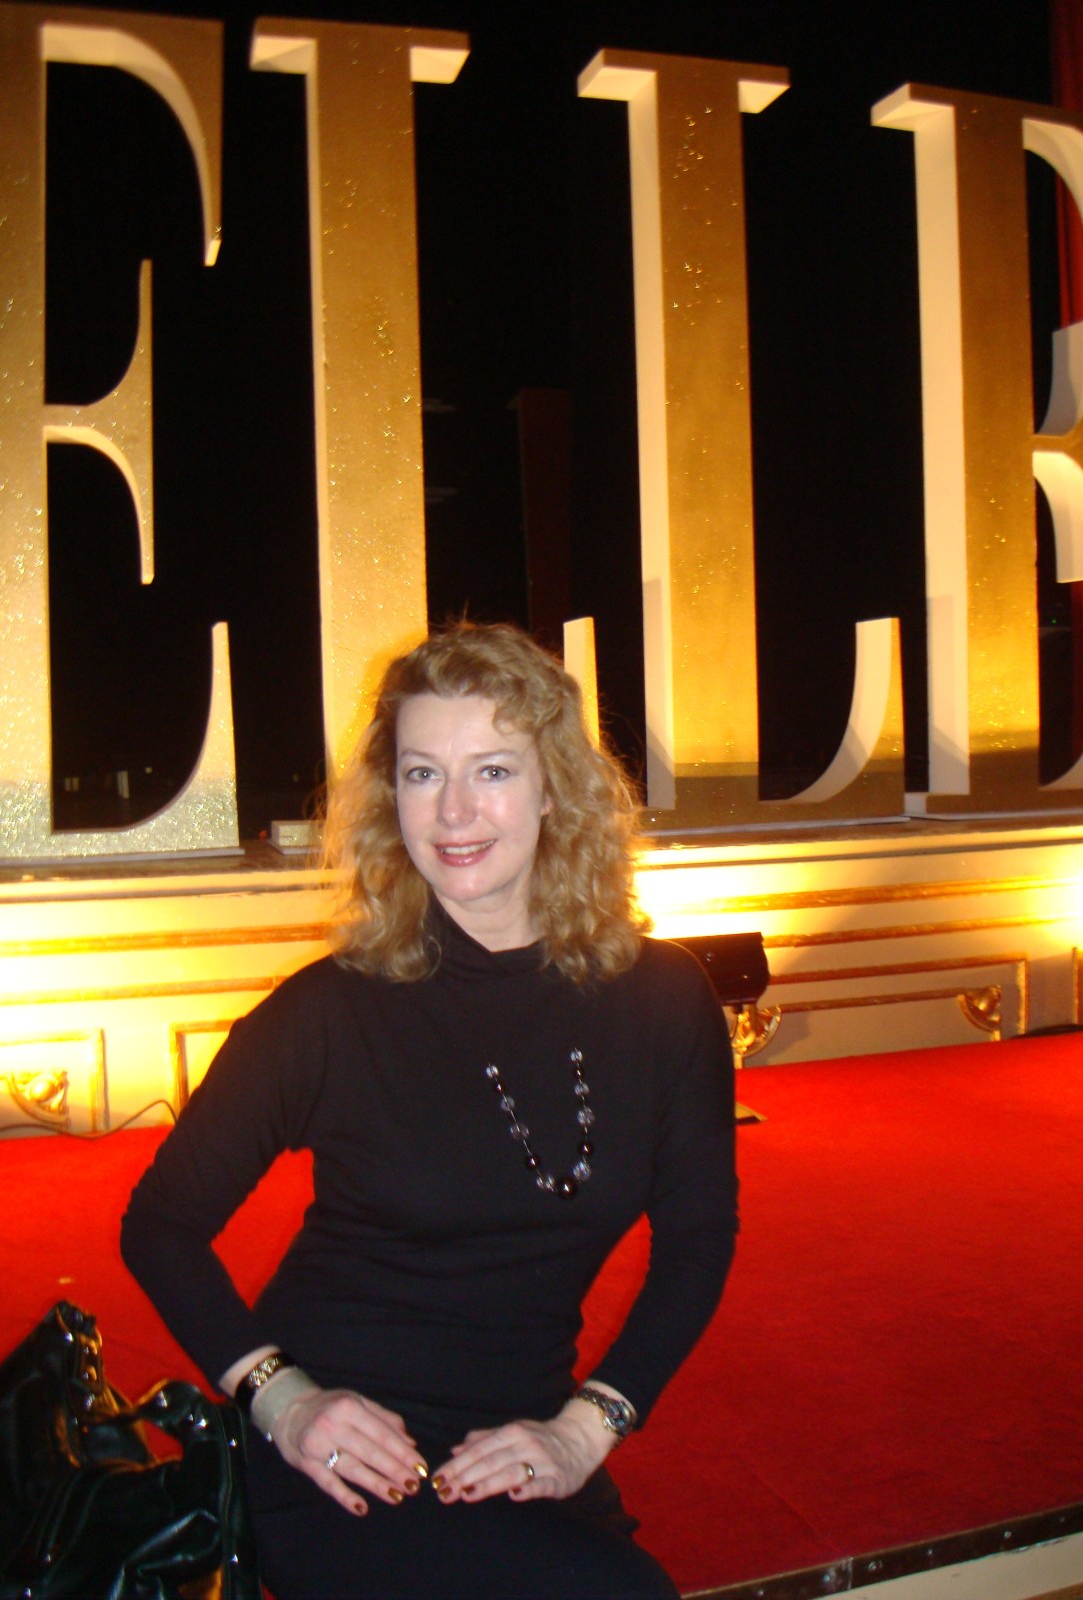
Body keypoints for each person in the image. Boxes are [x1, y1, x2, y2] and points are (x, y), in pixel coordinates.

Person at [121, 622, 737, 1600]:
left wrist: (589, 1427)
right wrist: (284, 1402)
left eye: (491, 770)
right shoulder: (332, 1010)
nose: (453, 811)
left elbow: (698, 1240)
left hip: (520, 1434)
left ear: (554, 787)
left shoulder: (665, 1000)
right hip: (339, 1445)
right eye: (421, 774)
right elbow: (159, 1224)